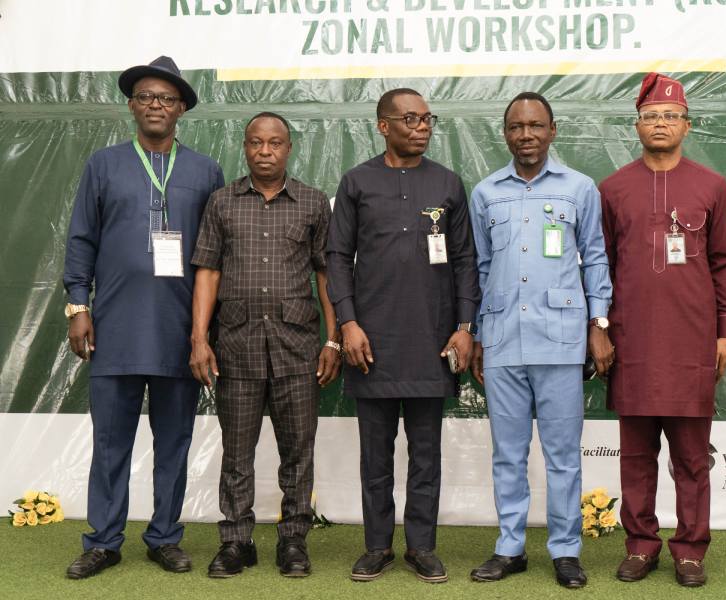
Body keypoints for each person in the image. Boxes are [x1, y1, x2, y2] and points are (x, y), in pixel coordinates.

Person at [62, 56, 224, 579]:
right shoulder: (103, 164)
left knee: (173, 443)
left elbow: (217, 258)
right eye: (147, 97)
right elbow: (81, 238)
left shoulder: (205, 171)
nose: (156, 105)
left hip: (181, 334)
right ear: (132, 106)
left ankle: (164, 537)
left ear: (181, 110)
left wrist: (206, 334)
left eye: (167, 99)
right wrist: (78, 307)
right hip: (115, 329)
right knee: (110, 443)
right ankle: (104, 541)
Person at [326, 88, 480, 584]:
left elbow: (464, 262)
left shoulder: (448, 185)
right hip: (369, 343)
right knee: (375, 454)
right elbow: (336, 258)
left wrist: (464, 328)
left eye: (427, 118)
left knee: (426, 454)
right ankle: (377, 546)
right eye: (410, 119)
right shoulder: (356, 182)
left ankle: (421, 546)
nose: (422, 127)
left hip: (432, 343)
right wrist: (347, 323)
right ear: (383, 125)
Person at [599, 73, 726, 588]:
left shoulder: (711, 185)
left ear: (687, 124)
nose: (660, 124)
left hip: (693, 342)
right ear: (637, 125)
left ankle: (689, 550)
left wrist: (725, 330)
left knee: (690, 457)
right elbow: (601, 265)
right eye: (650, 116)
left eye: (669, 116)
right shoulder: (613, 188)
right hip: (631, 341)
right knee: (636, 457)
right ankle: (640, 545)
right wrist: (601, 330)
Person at [468, 92, 613, 589]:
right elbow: (482, 268)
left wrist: (599, 326)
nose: (526, 135)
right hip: (505, 339)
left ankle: (565, 550)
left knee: (563, 454)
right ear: (505, 134)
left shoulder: (579, 189)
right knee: (507, 453)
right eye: (516, 127)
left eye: (535, 126)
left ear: (553, 131)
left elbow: (594, 258)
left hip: (561, 339)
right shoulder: (486, 193)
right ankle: (510, 547)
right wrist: (480, 336)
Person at [189, 112, 341, 578]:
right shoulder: (221, 203)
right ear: (245, 146)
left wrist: (332, 339)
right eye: (256, 143)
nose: (265, 151)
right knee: (237, 453)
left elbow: (326, 275)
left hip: (298, 348)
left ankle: (293, 540)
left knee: (299, 452)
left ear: (289, 148)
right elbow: (208, 271)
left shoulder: (314, 203)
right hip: (236, 347)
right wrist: (199, 338)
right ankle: (236, 541)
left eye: (275, 143)